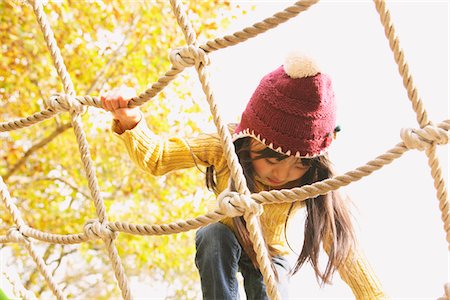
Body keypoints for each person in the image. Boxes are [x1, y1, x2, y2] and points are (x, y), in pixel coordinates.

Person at [101, 52, 386, 300]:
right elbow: (159, 157)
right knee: (213, 234)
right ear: (249, 140)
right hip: (227, 237)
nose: (283, 173)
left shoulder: (313, 184)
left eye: (299, 164)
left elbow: (344, 250)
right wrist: (131, 120)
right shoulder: (226, 147)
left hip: (272, 256)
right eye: (272, 157)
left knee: (269, 280)